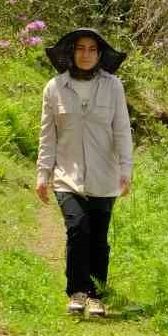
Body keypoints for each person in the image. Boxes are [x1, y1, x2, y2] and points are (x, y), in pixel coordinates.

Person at [35, 28, 132, 318]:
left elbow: (122, 130)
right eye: (80, 48)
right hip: (67, 175)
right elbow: (47, 135)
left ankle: (96, 295)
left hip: (105, 176)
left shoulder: (113, 86)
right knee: (77, 229)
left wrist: (126, 169)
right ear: (71, 52)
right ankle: (77, 292)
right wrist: (43, 174)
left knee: (98, 239)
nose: (86, 54)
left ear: (100, 54)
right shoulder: (54, 88)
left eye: (92, 49)